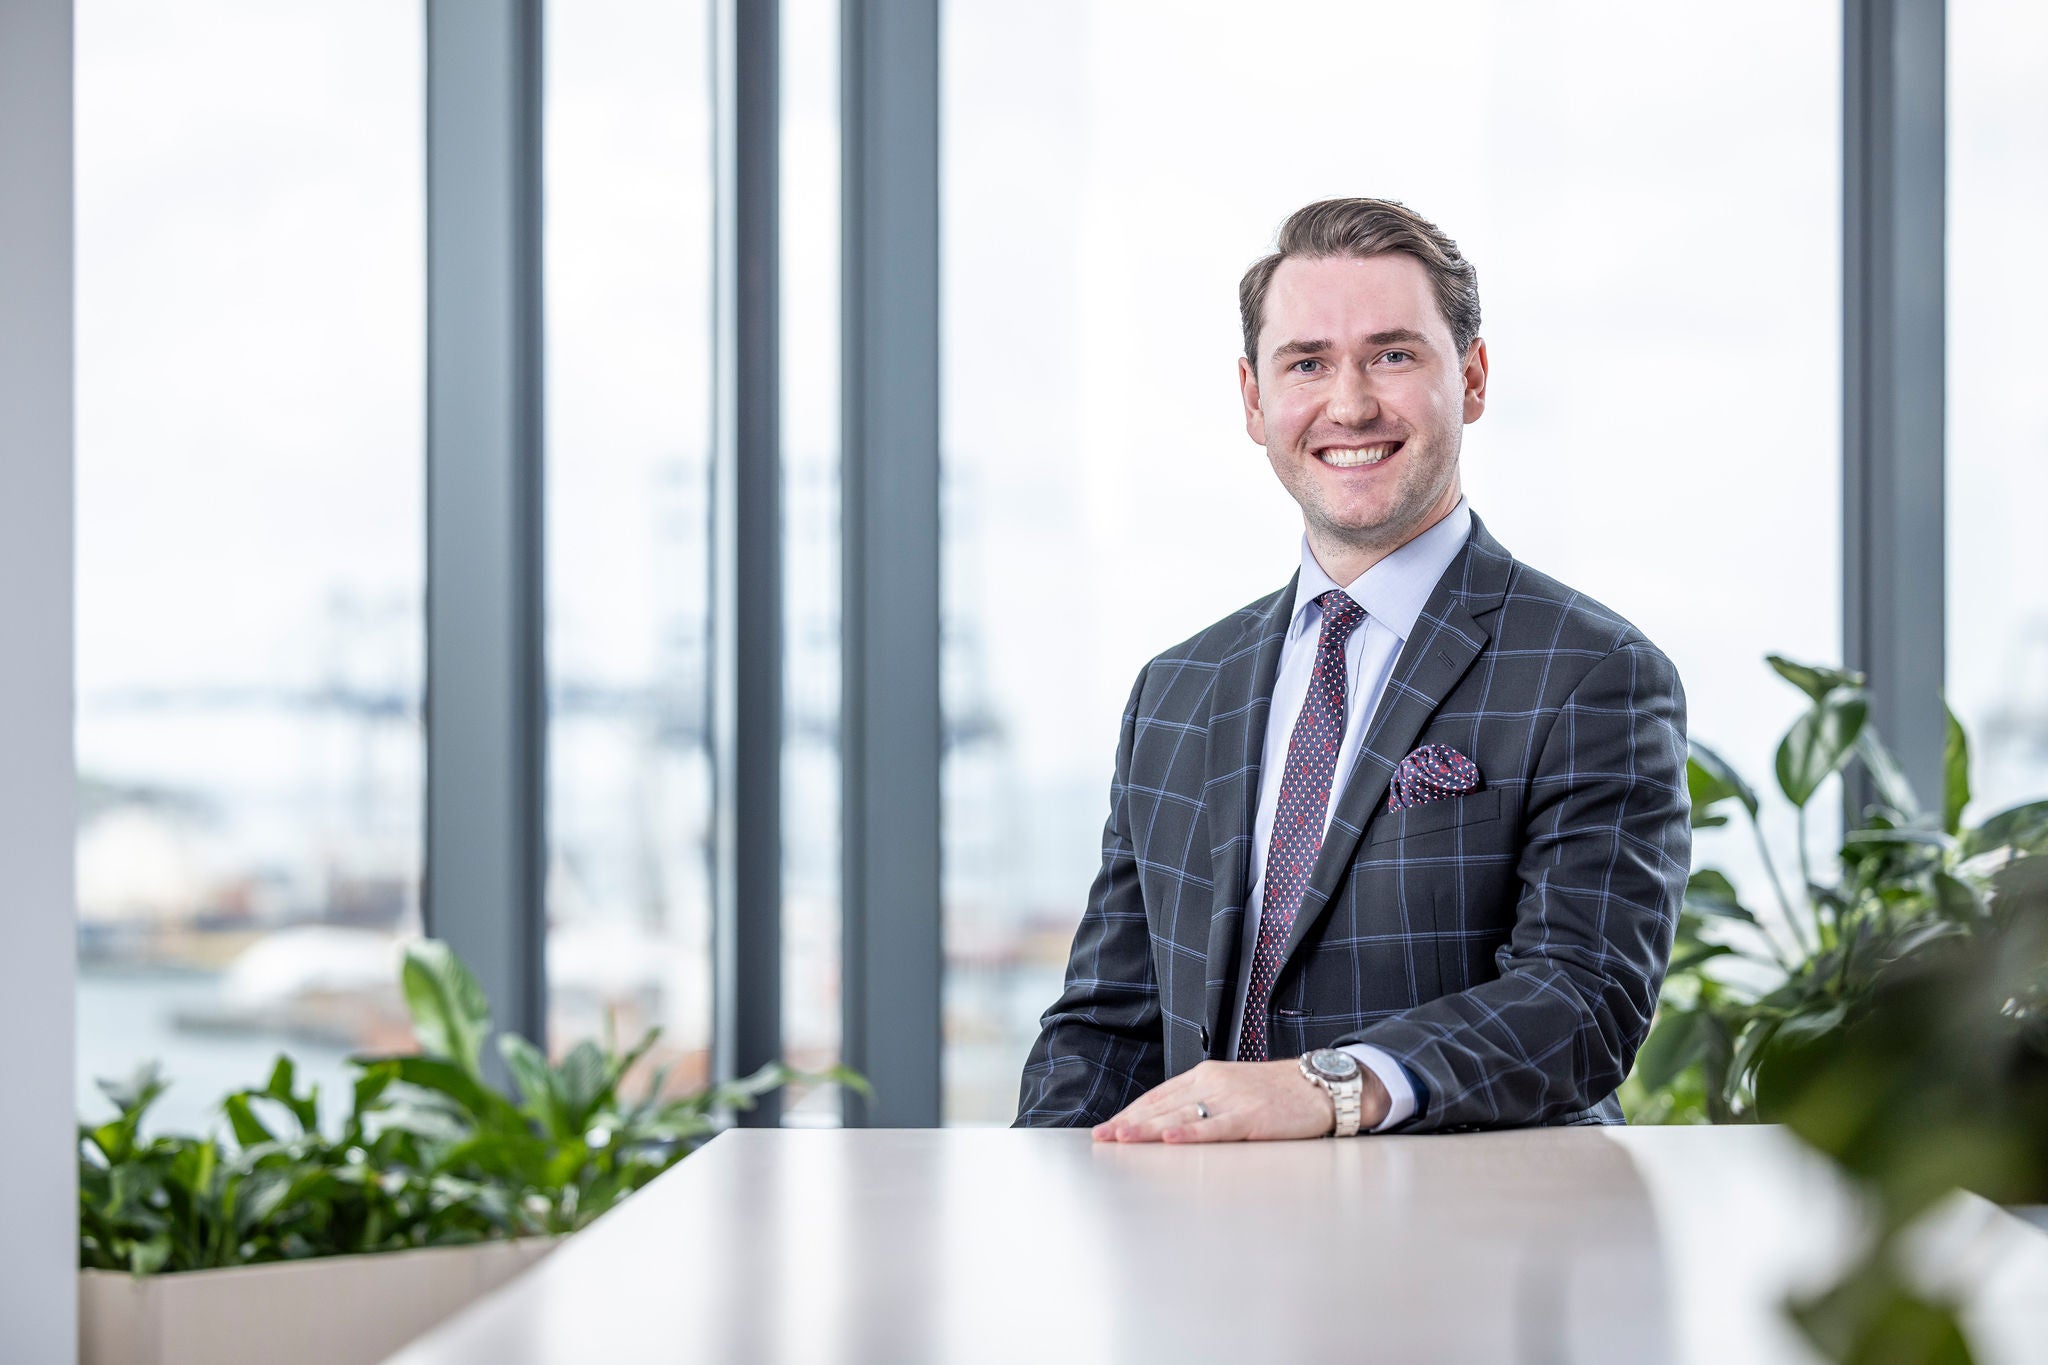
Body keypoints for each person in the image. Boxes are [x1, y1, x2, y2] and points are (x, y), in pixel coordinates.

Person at [1014, 198, 1691, 1141]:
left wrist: (1329, 1087)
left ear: (1474, 377)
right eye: (1307, 363)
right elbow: (1108, 1024)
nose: (1350, 404)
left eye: (1393, 355)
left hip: (1470, 1220)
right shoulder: (1176, 690)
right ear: (1254, 399)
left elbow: (1583, 1000)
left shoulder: (1592, 671)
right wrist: (1037, 1187)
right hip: (1200, 1220)